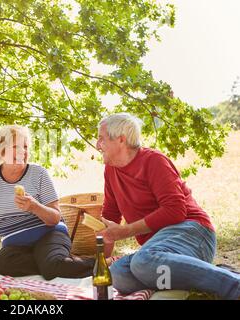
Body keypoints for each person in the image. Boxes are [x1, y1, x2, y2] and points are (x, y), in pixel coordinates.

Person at [96, 112, 240, 299]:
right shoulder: (110, 170)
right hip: (158, 250)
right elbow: (110, 216)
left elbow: (175, 211)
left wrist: (125, 231)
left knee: (142, 261)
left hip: (193, 232)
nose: (98, 145)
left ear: (121, 140)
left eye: (102, 139)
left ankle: (234, 286)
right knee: (117, 275)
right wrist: (100, 260)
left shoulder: (154, 161)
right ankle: (198, 277)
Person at [0, 125, 95, 280]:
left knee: (51, 265)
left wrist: (34, 207)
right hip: (16, 246)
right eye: (16, 147)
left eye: (25, 146)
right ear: (1, 150)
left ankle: (100, 263)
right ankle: (52, 263)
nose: (23, 152)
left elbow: (55, 218)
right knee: (3, 265)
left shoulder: (38, 173)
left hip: (49, 234)